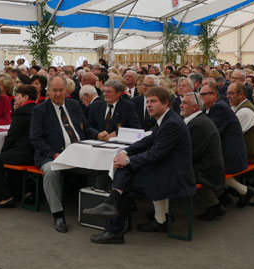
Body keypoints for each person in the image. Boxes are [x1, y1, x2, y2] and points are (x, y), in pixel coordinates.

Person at [82, 86, 196, 244]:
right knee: (124, 174)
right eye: (147, 102)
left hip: (175, 176)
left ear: (166, 103)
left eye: (153, 101)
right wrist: (125, 152)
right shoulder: (166, 119)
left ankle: (113, 227)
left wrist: (128, 160)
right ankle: (111, 208)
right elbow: (146, 141)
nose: (149, 105)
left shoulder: (172, 123)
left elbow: (156, 153)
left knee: (124, 182)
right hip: (166, 169)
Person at [29, 75, 109, 233]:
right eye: (54, 90)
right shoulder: (40, 110)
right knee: (50, 172)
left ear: (66, 91)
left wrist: (98, 134)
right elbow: (35, 138)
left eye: (61, 90)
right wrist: (54, 155)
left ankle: (98, 206)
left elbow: (86, 127)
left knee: (103, 166)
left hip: (79, 152)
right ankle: (58, 214)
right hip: (52, 155)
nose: (58, 94)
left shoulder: (74, 105)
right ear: (48, 91)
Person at [0, 85, 37, 208]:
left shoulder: (22, 112)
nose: (15, 98)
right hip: (36, 152)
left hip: (24, 153)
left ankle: (6, 197)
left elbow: (12, 135)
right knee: (10, 161)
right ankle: (25, 192)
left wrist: (3, 150)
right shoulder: (38, 109)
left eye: (18, 96)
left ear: (25, 97)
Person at [200, 79, 247, 207]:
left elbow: (211, 134)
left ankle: (220, 199)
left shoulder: (219, 107)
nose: (201, 97)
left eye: (205, 94)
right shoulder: (208, 109)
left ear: (214, 95)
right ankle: (230, 193)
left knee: (200, 168)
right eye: (200, 94)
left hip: (231, 156)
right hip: (224, 152)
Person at [180, 92, 226, 219]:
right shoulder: (197, 120)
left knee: (168, 171)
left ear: (195, 107)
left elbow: (191, 153)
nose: (180, 105)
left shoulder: (198, 124)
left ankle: (164, 213)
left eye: (184, 103)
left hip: (207, 169)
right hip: (207, 164)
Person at [226, 82, 254, 206]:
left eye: (231, 93)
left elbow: (232, 134)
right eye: (227, 93)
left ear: (241, 94)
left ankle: (235, 191)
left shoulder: (245, 111)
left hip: (249, 153)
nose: (228, 96)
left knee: (213, 164)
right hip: (244, 150)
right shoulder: (239, 107)